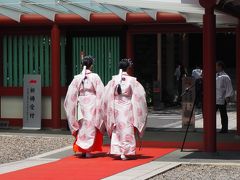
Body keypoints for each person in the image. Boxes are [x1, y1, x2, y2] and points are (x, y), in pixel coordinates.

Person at [102, 59, 148, 160]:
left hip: (115, 107)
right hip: (127, 107)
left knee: (117, 128)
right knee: (127, 128)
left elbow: (105, 95)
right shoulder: (132, 80)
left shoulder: (113, 80)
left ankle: (118, 150)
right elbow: (140, 95)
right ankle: (126, 151)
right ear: (128, 68)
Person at [64, 56, 105, 157]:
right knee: (90, 125)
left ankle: (83, 149)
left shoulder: (77, 78)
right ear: (91, 66)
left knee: (82, 125)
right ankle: (88, 150)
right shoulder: (95, 77)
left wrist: (72, 106)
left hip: (80, 102)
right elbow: (101, 92)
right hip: (92, 102)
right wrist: (100, 105)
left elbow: (70, 95)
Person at [216, 61, 234, 133]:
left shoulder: (225, 76)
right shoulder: (216, 75)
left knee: (223, 114)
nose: (215, 67)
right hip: (214, 98)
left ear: (220, 67)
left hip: (222, 98)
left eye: (216, 66)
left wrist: (228, 96)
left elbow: (229, 87)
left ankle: (224, 129)